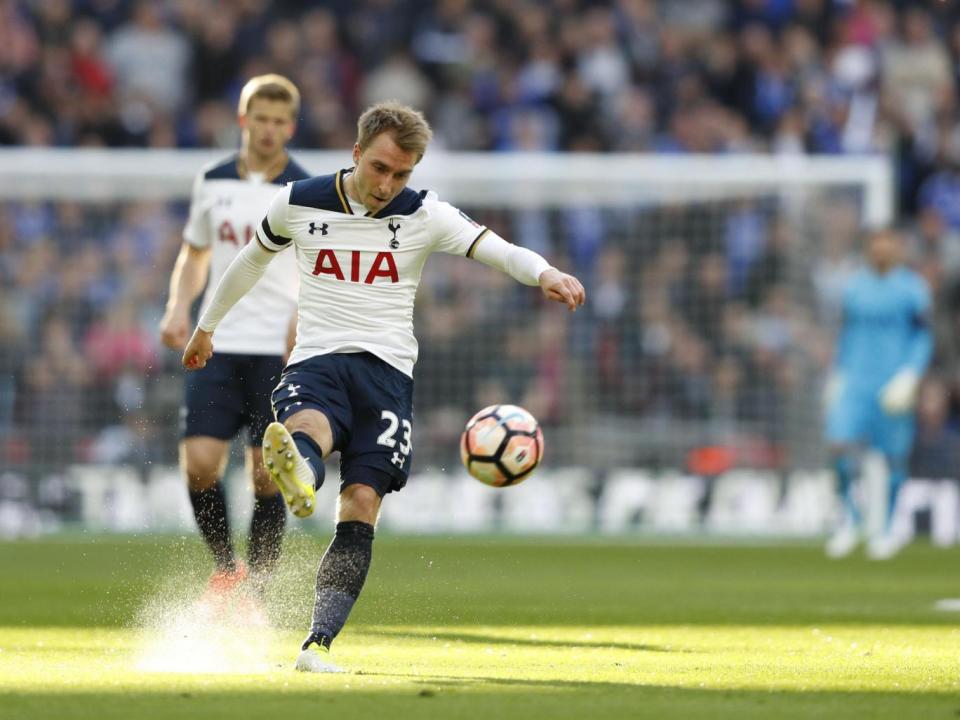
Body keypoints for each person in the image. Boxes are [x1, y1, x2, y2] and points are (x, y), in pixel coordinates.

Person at [181, 101, 585, 671]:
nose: (387, 184)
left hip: (388, 376)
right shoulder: (298, 201)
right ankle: (298, 469)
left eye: (402, 174)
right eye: (379, 168)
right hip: (318, 358)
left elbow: (497, 248)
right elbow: (247, 263)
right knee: (309, 426)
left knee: (363, 503)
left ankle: (315, 644)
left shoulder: (424, 213)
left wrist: (544, 271)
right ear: (356, 153)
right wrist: (206, 329)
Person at [159, 74, 310, 595]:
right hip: (217, 341)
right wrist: (179, 307)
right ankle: (227, 568)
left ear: (290, 126)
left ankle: (261, 586)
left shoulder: (305, 190)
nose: (268, 130)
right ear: (244, 120)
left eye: (278, 121)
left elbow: (317, 268)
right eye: (260, 119)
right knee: (200, 464)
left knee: (268, 475)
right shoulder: (213, 179)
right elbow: (195, 253)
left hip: (277, 347)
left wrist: (302, 321)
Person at [824, 228, 933, 560]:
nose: (882, 252)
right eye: (876, 246)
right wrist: (838, 373)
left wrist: (910, 375)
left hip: (892, 384)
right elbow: (846, 332)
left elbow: (922, 336)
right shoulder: (854, 286)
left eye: (888, 246)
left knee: (893, 458)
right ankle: (850, 521)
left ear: (897, 249)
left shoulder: (912, 289)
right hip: (855, 380)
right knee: (839, 447)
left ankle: (885, 529)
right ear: (869, 249)